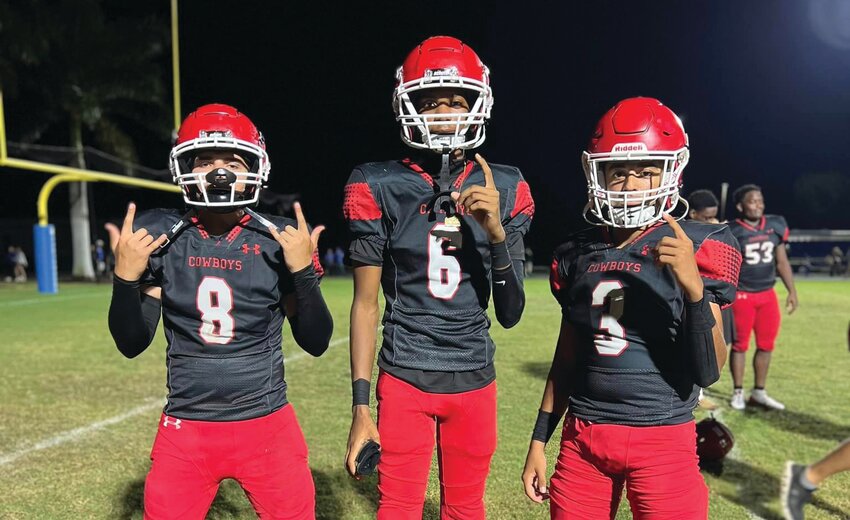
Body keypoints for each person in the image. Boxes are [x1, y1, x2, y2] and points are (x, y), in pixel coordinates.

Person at [106, 103, 333, 519]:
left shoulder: (276, 238)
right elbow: (131, 342)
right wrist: (125, 280)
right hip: (187, 428)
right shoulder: (162, 235)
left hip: (267, 425)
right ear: (185, 169)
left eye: (232, 161)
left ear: (254, 167)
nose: (219, 172)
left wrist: (302, 272)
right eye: (206, 161)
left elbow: (316, 341)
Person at [343, 36, 534, 519]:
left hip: (473, 376)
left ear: (477, 104)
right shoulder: (377, 182)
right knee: (398, 509)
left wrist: (493, 233)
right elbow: (365, 303)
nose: (444, 112)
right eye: (430, 102)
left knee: (466, 510)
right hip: (405, 374)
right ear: (409, 107)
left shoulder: (505, 186)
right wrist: (361, 406)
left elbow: (510, 314)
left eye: (455, 100)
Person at [521, 97, 740, 519]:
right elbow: (566, 361)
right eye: (618, 172)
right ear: (597, 172)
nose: (631, 184)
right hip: (583, 438)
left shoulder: (699, 245)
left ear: (671, 171)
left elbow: (709, 370)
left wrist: (694, 289)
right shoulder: (577, 252)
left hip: (664, 438)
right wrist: (538, 440)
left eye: (645, 171)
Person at [727, 184, 798, 411]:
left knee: (766, 345)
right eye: (752, 201)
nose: (758, 205)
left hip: (768, 294)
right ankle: (738, 391)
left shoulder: (775, 225)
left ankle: (759, 391)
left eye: (760, 200)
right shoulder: (732, 230)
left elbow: (782, 261)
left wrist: (792, 291)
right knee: (740, 346)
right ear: (740, 206)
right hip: (742, 295)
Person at [688, 189, 739, 410]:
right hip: (696, 298)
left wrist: (718, 231)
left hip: (715, 295)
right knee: (700, 343)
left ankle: (700, 392)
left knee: (720, 341)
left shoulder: (717, 233)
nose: (713, 221)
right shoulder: (685, 234)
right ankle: (696, 394)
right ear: (693, 214)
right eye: (707, 217)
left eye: (714, 216)